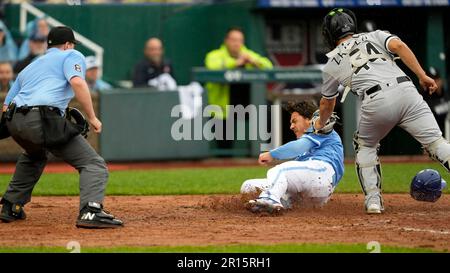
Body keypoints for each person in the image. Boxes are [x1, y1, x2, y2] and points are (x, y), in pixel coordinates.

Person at [314, 8, 450, 214]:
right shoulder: (375, 35)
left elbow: (327, 104)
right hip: (407, 90)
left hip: (376, 99)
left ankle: (373, 201)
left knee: (366, 145)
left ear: (329, 33)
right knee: (437, 143)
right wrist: (422, 75)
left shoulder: (332, 62)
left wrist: (319, 125)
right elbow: (398, 45)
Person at [0, 26, 123, 228]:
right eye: (72, 44)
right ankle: (91, 211)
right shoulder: (72, 55)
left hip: (15, 121)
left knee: (35, 155)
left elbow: (6, 105)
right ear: (67, 44)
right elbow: (78, 83)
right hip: (41, 118)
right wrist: (93, 117)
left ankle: (10, 206)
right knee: (93, 164)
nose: (73, 47)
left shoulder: (32, 65)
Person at [241, 100, 344, 213]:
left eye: (294, 121)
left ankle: (269, 199)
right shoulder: (307, 147)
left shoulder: (321, 128)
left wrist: (271, 154)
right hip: (311, 191)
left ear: (309, 119)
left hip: (321, 173)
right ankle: (283, 203)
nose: (291, 126)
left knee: (280, 170)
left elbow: (297, 147)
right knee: (248, 186)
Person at [205, 27, 273, 120]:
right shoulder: (214, 55)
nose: (237, 43)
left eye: (240, 40)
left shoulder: (247, 54)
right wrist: (236, 63)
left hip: (247, 107)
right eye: (233, 40)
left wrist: (253, 61)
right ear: (226, 41)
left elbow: (269, 67)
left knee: (268, 112)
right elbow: (213, 66)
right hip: (221, 110)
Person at [421, 67, 449, 133]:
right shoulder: (423, 98)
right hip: (434, 135)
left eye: (437, 80)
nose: (435, 83)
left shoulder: (447, 94)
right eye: (432, 80)